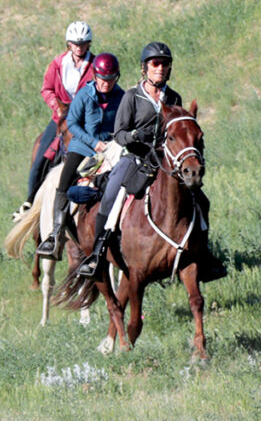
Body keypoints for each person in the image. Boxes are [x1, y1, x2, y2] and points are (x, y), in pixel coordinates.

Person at [77, 42, 226, 281]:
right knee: (112, 191)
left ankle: (203, 256)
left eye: (164, 64)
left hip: (166, 161)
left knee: (201, 199)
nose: (160, 68)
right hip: (135, 157)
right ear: (145, 67)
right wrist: (137, 136)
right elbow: (120, 134)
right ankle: (97, 252)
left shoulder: (173, 97)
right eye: (155, 63)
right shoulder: (132, 97)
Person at [35, 52, 124, 256]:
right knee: (64, 182)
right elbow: (72, 124)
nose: (106, 83)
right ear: (95, 76)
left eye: (111, 79)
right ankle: (56, 233)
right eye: (103, 78)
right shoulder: (84, 95)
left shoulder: (121, 97)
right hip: (82, 147)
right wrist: (94, 143)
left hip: (111, 148)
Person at [14, 21, 96, 220]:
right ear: (68, 44)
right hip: (61, 118)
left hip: (86, 120)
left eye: (83, 43)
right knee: (41, 158)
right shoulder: (58, 64)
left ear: (88, 44)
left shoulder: (94, 65)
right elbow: (46, 89)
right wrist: (56, 106)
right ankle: (29, 201)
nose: (79, 47)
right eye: (75, 43)